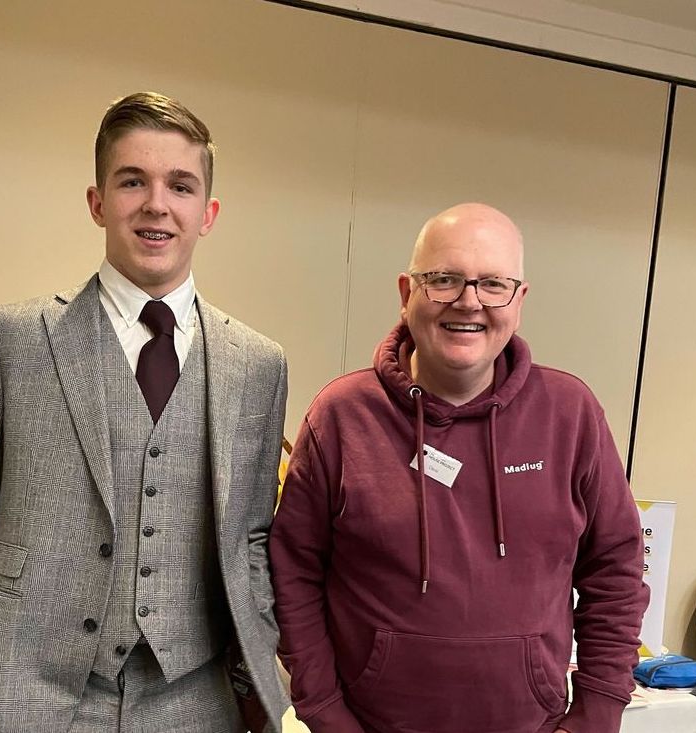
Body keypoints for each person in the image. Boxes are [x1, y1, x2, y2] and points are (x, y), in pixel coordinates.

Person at [0, 92, 289, 733]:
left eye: (180, 185)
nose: (157, 203)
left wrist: (247, 681)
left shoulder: (258, 365)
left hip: (196, 701)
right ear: (98, 202)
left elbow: (251, 540)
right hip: (30, 697)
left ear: (207, 213)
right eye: (133, 181)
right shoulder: (12, 340)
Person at [270, 203, 649, 733]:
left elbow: (616, 569)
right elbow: (292, 574)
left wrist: (598, 710)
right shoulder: (341, 417)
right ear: (406, 294)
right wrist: (325, 711)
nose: (469, 302)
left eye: (493, 284)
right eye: (443, 280)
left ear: (519, 301)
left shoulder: (570, 414)